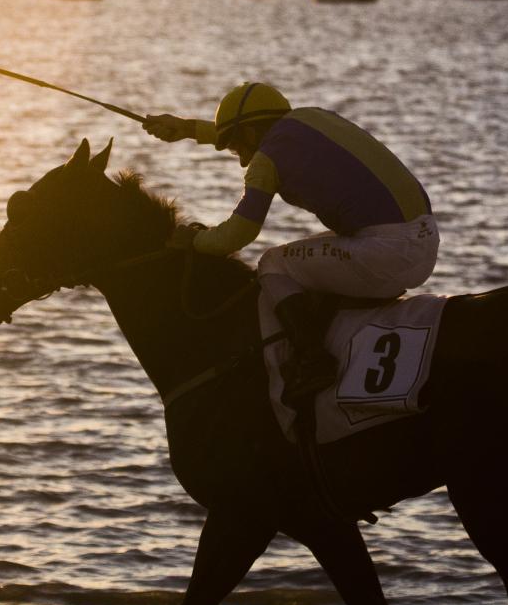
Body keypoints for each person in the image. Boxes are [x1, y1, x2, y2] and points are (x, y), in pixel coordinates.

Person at [143, 82, 438, 401]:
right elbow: (253, 135)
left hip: (388, 252)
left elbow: (238, 235)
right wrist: (187, 129)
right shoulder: (312, 118)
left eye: (238, 147)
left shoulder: (264, 160)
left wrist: (194, 240)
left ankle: (314, 360)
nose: (242, 161)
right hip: (426, 237)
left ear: (253, 135)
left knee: (273, 263)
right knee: (310, 254)